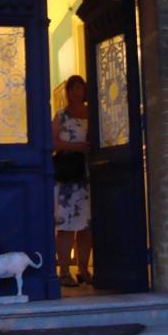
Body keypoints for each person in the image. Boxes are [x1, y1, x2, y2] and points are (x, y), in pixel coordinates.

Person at [52, 74, 93, 287]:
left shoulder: (93, 113)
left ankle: (84, 269)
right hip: (68, 177)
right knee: (67, 224)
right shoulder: (61, 115)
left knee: (87, 225)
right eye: (73, 88)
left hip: (88, 175)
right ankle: (65, 271)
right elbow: (51, 142)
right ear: (68, 92)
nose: (77, 91)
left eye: (80, 87)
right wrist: (76, 147)